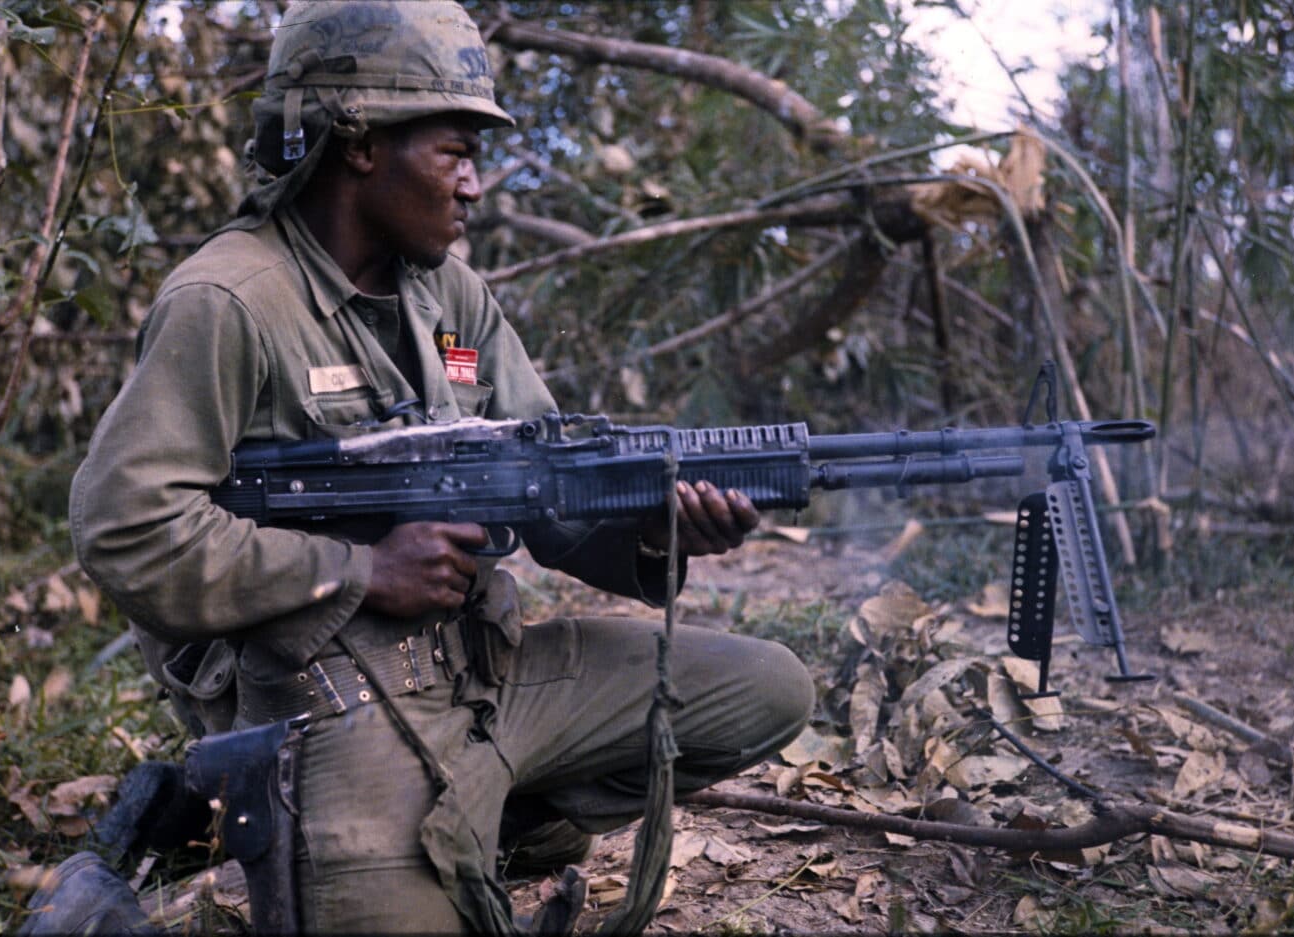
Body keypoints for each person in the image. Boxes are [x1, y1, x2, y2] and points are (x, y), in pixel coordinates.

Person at [68, 2, 814, 933]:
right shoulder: (230, 301)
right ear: (359, 145)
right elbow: (127, 528)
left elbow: (548, 481)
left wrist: (655, 524)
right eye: (453, 152)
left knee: (768, 689)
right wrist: (362, 570)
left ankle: (474, 816)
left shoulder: (450, 292)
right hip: (325, 699)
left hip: (478, 676)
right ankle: (200, 881)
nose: (473, 185)